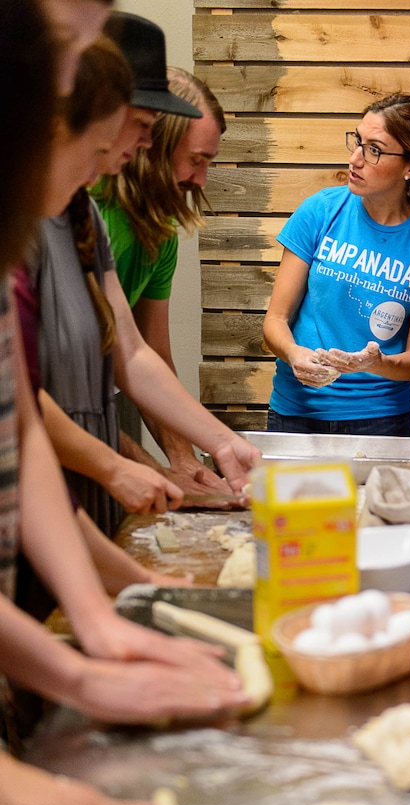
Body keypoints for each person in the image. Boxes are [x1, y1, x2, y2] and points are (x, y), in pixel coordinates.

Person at [0, 0, 215, 805]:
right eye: (94, 147)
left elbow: (22, 432)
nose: (104, 169)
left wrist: (90, 635)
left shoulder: (33, 234)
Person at [21, 47, 260, 539]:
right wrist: (118, 461)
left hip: (77, 466)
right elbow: (22, 395)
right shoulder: (32, 221)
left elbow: (135, 352)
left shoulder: (88, 221)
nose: (144, 141)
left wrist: (213, 444)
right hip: (38, 468)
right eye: (141, 125)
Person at [262, 93, 410, 437]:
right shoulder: (320, 210)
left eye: (375, 150)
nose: (355, 159)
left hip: (381, 421)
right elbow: (275, 321)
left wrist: (376, 363)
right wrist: (294, 354)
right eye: (358, 141)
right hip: (297, 413)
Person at [93, 53, 235, 504]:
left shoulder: (160, 235)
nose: (201, 180)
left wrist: (184, 458)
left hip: (98, 409)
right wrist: (150, 468)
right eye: (195, 160)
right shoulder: (87, 213)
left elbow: (147, 354)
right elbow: (63, 392)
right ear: (152, 144)